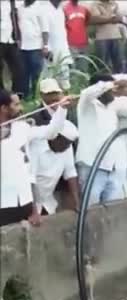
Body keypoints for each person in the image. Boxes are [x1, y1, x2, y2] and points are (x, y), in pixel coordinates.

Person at [0, 89, 70, 227]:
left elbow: (51, 132)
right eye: (16, 105)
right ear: (3, 108)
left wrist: (62, 109)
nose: (21, 108)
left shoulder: (22, 128)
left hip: (24, 203)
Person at [76, 73, 127, 206]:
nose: (115, 93)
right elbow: (87, 93)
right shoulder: (87, 103)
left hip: (112, 167)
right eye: (112, 90)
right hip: (92, 166)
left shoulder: (114, 104)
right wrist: (112, 84)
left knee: (112, 211)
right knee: (91, 211)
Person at [29, 79, 80, 215]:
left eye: (56, 93)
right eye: (49, 94)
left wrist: (77, 201)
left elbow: (71, 172)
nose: (54, 97)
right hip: (28, 202)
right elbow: (30, 179)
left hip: (48, 200)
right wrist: (34, 211)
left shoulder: (66, 145)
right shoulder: (37, 144)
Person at [18, 0, 49, 100]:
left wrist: (45, 46)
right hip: (22, 46)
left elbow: (45, 29)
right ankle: (26, 96)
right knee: (24, 73)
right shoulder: (20, 7)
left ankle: (36, 96)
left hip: (36, 46)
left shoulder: (39, 7)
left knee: (36, 74)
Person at [42, 0, 72, 90]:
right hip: (51, 48)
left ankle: (66, 94)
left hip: (63, 47)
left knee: (64, 73)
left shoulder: (60, 10)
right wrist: (46, 47)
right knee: (50, 76)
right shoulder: (45, 9)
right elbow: (45, 30)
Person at [90, 0, 123, 73]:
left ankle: (119, 80)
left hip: (116, 36)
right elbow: (95, 19)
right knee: (103, 64)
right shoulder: (95, 4)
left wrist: (104, 18)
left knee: (118, 63)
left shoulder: (114, 3)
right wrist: (111, 18)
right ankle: (105, 81)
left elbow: (119, 18)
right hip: (102, 38)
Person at [0, 0, 24, 96]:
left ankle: (17, 94)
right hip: (1, 39)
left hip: (11, 39)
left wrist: (18, 37)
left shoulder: (13, 3)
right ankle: (2, 95)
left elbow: (15, 21)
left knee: (18, 67)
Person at [63, 0, 91, 72]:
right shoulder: (64, 9)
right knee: (73, 69)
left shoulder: (84, 9)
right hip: (71, 43)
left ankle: (84, 83)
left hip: (84, 42)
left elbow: (87, 21)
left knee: (84, 68)